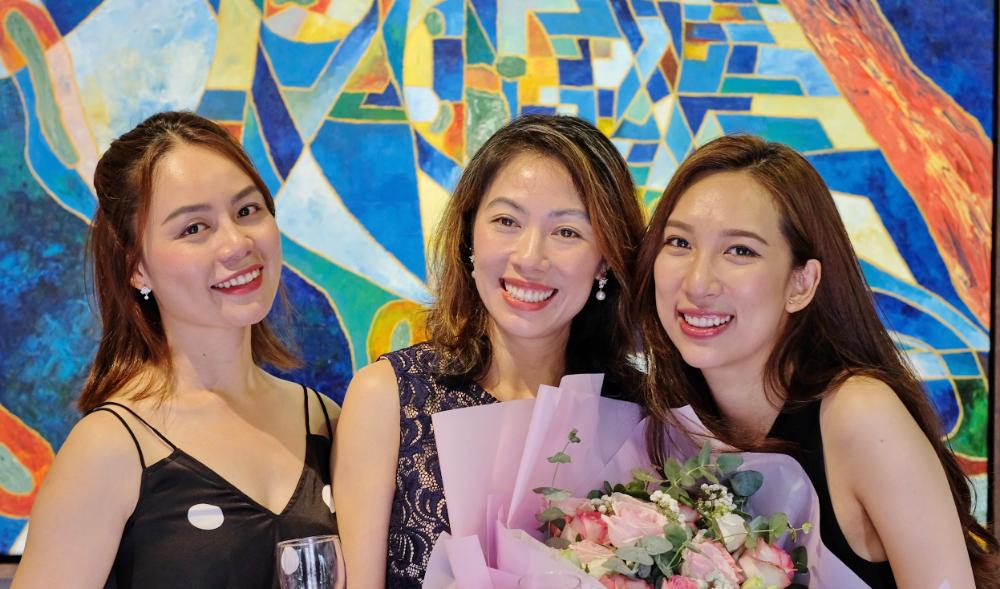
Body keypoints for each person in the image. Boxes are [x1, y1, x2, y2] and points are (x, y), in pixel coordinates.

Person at [634, 134, 999, 588]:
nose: (697, 282)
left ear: (801, 284)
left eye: (740, 250)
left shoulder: (859, 415)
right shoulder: (661, 425)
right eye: (678, 242)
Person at [13, 111, 339, 589]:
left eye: (247, 210)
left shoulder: (327, 422)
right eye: (194, 228)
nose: (236, 243)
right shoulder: (110, 446)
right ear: (136, 267)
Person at [333, 114, 646, 588]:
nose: (530, 257)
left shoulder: (638, 414)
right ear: (469, 236)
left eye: (567, 232)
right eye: (506, 221)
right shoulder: (389, 396)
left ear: (605, 258)